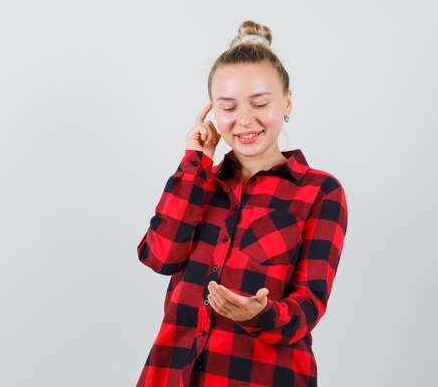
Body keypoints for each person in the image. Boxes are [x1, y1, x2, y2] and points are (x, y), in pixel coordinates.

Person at [135, 20, 349, 387]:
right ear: (212, 112)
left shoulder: (320, 191)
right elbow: (160, 256)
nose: (244, 120)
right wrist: (195, 161)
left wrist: (260, 314)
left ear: (287, 102)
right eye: (228, 107)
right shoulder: (199, 180)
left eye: (260, 103)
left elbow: (309, 304)